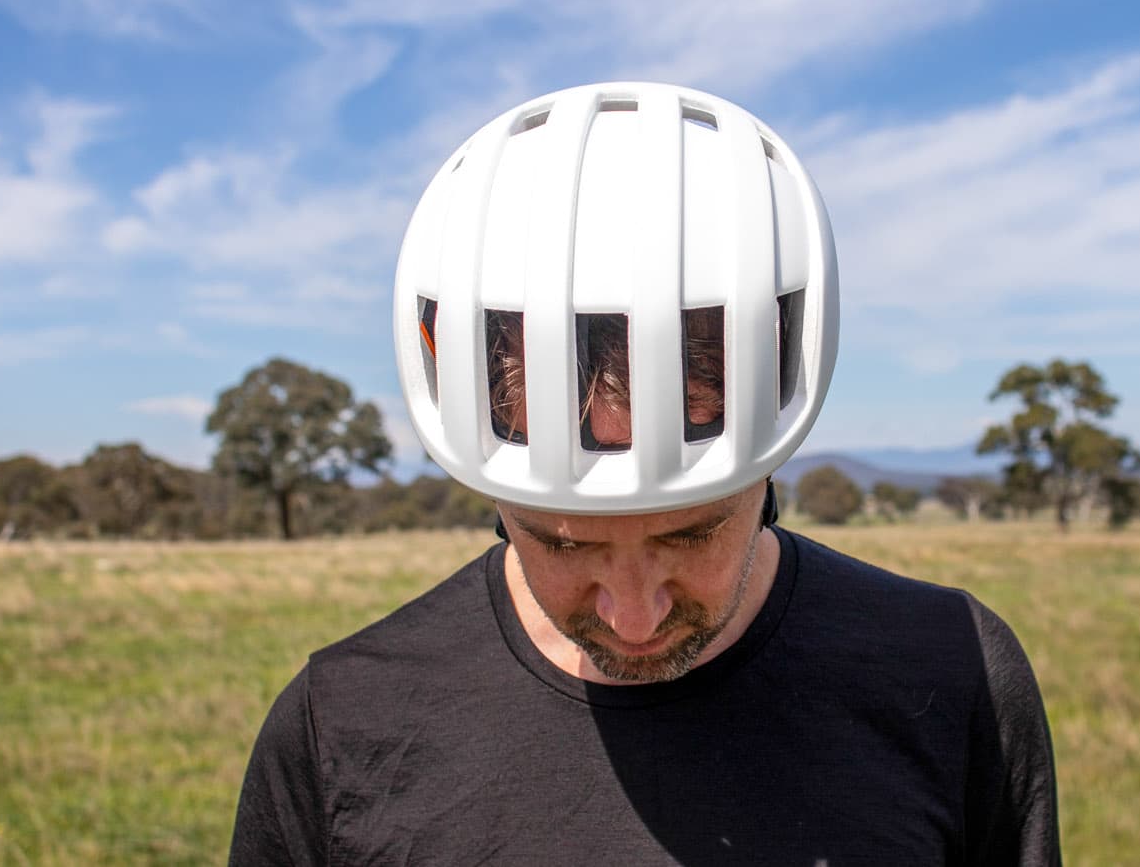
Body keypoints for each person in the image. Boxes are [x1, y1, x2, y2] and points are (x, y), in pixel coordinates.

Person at [229, 82, 1059, 865]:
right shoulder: (339, 725)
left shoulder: (954, 673)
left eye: (693, 529)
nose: (634, 614)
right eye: (561, 541)